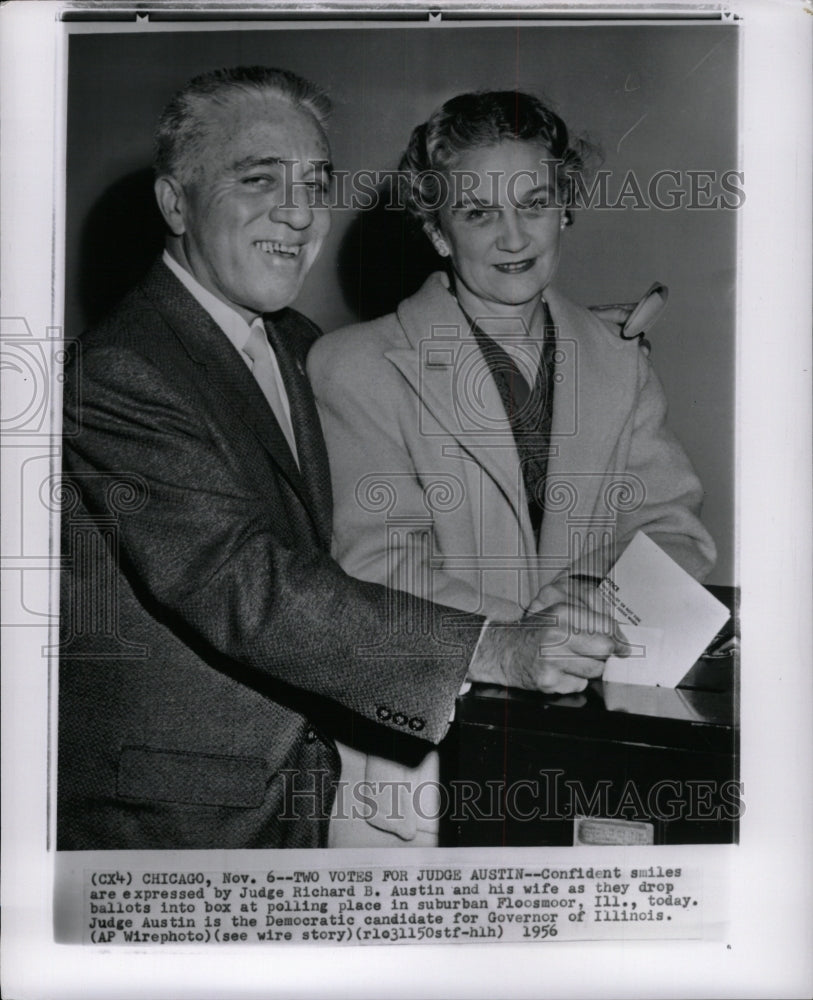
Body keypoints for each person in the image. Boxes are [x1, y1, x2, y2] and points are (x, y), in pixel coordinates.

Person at [57, 69, 626, 851]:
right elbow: (243, 583)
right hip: (179, 821)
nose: (297, 213)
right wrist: (496, 646)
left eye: (315, 183)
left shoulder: (288, 340)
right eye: (258, 180)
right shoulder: (118, 370)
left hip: (297, 792)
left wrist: (546, 354)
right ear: (174, 202)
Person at [309, 90, 716, 847]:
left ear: (565, 208)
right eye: (476, 214)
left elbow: (673, 528)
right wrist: (526, 631)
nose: (512, 236)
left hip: (581, 750)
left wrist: (596, 596)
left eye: (534, 202)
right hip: (422, 768)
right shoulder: (354, 365)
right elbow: (375, 564)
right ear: (435, 231)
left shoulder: (617, 360)